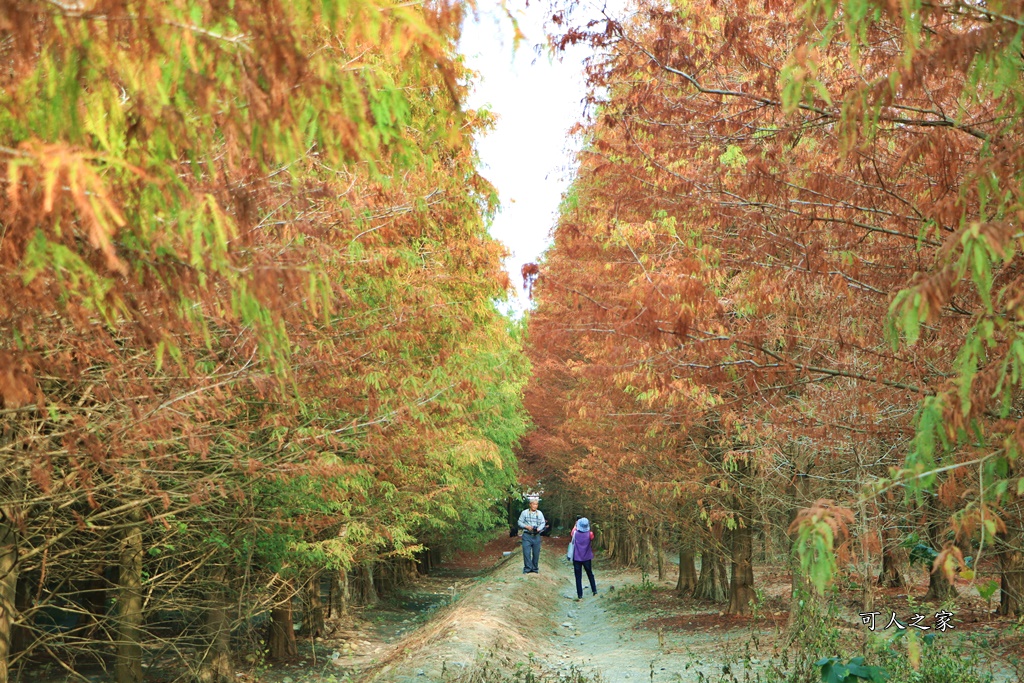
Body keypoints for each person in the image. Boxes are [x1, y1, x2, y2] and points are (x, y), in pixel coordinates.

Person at [569, 517, 597, 600]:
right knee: (590, 574)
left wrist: (575, 525)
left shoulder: (575, 533)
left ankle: (580, 595)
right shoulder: (590, 534)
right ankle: (594, 590)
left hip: (577, 557)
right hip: (587, 557)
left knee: (578, 577)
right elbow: (592, 538)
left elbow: (572, 532)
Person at [517, 497, 546, 574]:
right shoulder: (524, 513)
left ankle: (535, 568)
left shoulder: (540, 513)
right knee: (526, 552)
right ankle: (527, 568)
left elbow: (543, 523)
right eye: (533, 504)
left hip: (536, 535)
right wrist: (526, 527)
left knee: (536, 553)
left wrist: (539, 528)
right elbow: (519, 522)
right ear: (530, 504)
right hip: (527, 535)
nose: (535, 506)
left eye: (536, 504)